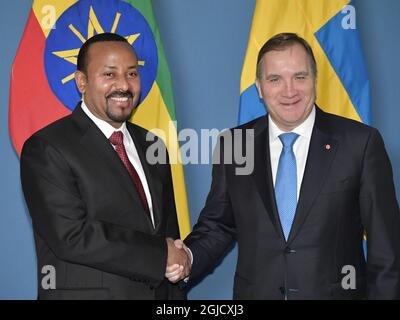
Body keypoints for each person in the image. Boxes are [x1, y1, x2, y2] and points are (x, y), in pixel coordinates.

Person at [166, 33, 400, 299]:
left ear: (314, 79)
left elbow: (387, 250)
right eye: (275, 79)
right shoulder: (235, 144)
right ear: (259, 87)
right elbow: (218, 225)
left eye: (299, 77)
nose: (289, 91)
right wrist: (187, 257)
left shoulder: (360, 143)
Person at [20, 33, 190, 300]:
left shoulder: (152, 144)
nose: (123, 85)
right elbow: (71, 236)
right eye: (109, 75)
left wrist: (178, 266)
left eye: (132, 74)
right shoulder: (46, 147)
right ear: (81, 82)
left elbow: (168, 235)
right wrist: (160, 255)